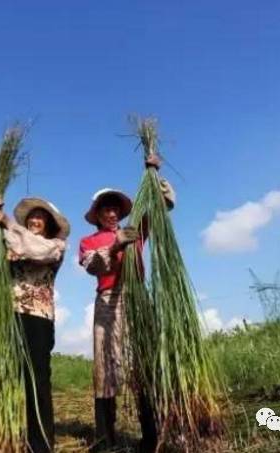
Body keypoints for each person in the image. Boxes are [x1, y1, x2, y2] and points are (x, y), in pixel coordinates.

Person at [78, 154, 175, 451]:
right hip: (108, 302)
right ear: (97, 214)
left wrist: (154, 174)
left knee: (142, 364)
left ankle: (151, 435)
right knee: (106, 366)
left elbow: (164, 207)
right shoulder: (89, 241)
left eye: (114, 209)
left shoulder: (135, 231)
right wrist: (116, 243)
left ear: (120, 213)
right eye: (105, 209)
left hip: (137, 298)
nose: (110, 213)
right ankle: (106, 438)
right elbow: (92, 266)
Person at [0, 193, 70, 453]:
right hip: (7, 316)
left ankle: (40, 445)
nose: (36, 220)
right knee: (4, 376)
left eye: (42, 217)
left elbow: (33, 249)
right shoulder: (12, 240)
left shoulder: (55, 246)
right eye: (33, 216)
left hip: (38, 319)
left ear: (49, 224)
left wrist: (9, 223)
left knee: (37, 380)